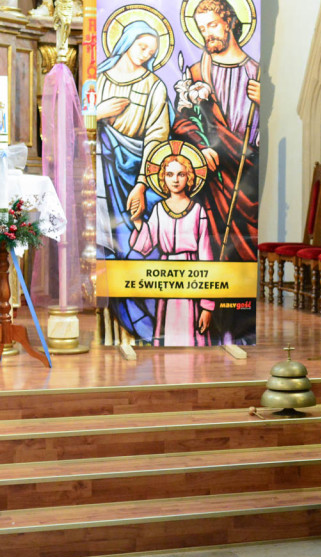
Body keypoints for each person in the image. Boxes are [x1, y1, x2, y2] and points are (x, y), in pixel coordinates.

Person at [96, 18, 171, 341]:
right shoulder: (99, 79)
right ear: (125, 41)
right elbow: (76, 123)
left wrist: (141, 184)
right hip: (102, 172)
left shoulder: (155, 86)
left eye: (151, 51)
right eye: (141, 46)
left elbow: (157, 137)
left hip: (136, 171)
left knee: (139, 242)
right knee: (105, 241)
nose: (144, 54)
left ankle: (144, 323)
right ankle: (109, 322)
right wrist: (97, 113)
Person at [172, 0, 259, 260]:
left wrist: (264, 102)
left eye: (212, 25)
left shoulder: (256, 73)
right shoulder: (197, 73)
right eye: (202, 28)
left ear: (230, 22)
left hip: (247, 175)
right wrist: (201, 145)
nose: (207, 33)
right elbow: (181, 123)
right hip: (211, 177)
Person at [129, 150, 214, 346]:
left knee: (192, 336)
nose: (175, 180)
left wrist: (207, 306)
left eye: (181, 174)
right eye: (169, 174)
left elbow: (207, 259)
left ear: (189, 177)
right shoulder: (159, 209)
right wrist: (138, 221)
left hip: (192, 278)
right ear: (163, 178)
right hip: (166, 278)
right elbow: (147, 244)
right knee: (167, 333)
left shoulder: (197, 211)